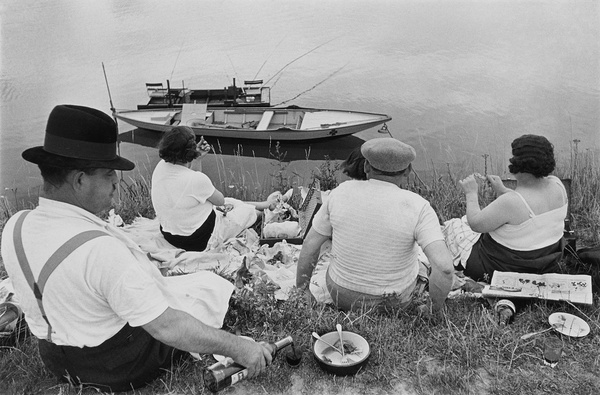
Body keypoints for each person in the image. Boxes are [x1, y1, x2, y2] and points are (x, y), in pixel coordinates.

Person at [0, 105, 273, 392]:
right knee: (205, 289)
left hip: (54, 358)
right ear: (80, 180)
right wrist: (240, 348)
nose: (117, 183)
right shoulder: (101, 250)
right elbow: (166, 327)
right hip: (114, 365)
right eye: (108, 174)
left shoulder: (15, 226)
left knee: (188, 287)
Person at [296, 137, 454, 314]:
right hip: (394, 302)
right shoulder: (419, 206)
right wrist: (433, 308)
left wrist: (303, 291)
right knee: (421, 263)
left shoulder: (340, 192)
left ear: (366, 167)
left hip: (340, 294)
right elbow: (445, 268)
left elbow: (310, 244)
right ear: (407, 171)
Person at [447, 134, 568, 283]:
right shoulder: (557, 185)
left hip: (506, 266)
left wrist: (471, 193)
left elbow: (476, 224)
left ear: (518, 163)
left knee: (455, 226)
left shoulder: (511, 202)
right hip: (546, 260)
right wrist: (502, 189)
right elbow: (528, 206)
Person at [151, 126, 275, 252]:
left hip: (170, 235)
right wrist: (195, 156)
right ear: (190, 151)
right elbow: (220, 201)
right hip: (197, 240)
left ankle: (266, 204)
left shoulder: (160, 167)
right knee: (241, 211)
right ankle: (266, 210)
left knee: (229, 201)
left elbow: (192, 185)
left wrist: (197, 157)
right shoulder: (196, 180)